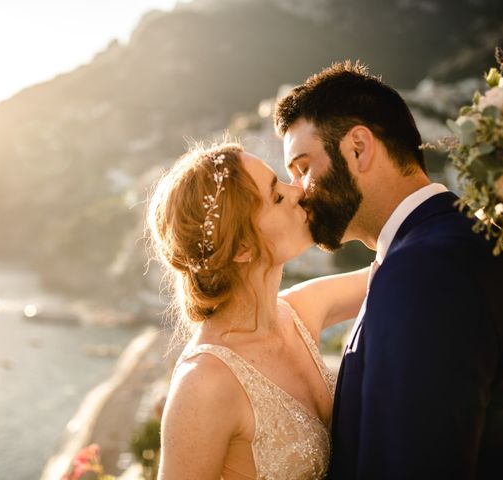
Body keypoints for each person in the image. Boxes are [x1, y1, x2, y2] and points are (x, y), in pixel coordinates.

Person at [274, 61, 503, 479]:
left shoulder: (420, 273)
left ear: (358, 148)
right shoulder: (457, 241)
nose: (298, 192)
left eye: (302, 167)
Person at [147, 142, 369, 479]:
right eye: (277, 197)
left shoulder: (300, 311)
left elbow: (401, 266)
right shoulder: (204, 383)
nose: (297, 192)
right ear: (241, 247)